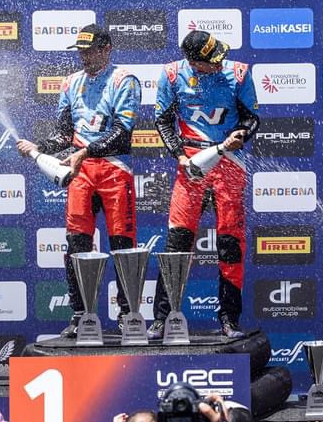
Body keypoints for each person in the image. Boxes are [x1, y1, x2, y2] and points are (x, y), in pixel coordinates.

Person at [16, 24, 141, 337]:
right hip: (81, 172)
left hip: (114, 169)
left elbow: (122, 133)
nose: (84, 57)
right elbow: (63, 134)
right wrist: (39, 147)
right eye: (81, 51)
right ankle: (81, 314)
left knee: (122, 244)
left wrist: (85, 151)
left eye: (91, 51)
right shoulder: (71, 82)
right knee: (76, 243)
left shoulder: (125, 80)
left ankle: (128, 314)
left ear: (106, 49)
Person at [147, 30, 259, 340]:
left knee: (230, 243)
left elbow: (252, 118)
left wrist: (242, 135)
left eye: (220, 56)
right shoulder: (172, 74)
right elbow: (163, 120)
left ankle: (229, 319)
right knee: (178, 241)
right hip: (192, 162)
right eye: (212, 60)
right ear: (194, 62)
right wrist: (180, 155)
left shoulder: (239, 73)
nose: (219, 63)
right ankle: (162, 318)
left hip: (229, 162)